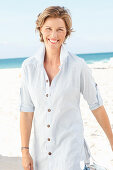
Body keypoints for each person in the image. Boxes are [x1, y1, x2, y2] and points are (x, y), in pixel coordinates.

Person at [20, 6, 113, 170]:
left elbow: (96, 105)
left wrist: (112, 142)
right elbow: (26, 110)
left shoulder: (78, 66)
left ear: (67, 32)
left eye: (60, 29)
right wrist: (25, 151)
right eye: (48, 28)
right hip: (40, 154)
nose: (53, 35)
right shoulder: (29, 67)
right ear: (40, 29)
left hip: (71, 153)